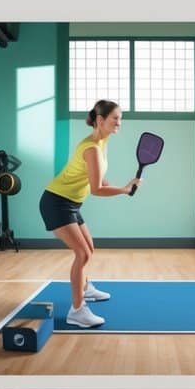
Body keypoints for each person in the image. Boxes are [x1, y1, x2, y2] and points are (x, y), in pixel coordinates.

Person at [39, 99, 141, 329]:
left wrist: (123, 186)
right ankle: (77, 311)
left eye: (120, 118)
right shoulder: (92, 148)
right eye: (115, 118)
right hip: (56, 202)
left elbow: (98, 178)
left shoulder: (101, 142)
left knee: (89, 248)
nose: (119, 122)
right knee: (82, 254)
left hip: (71, 203)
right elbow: (96, 190)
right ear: (100, 120)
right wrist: (125, 189)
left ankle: (86, 287)